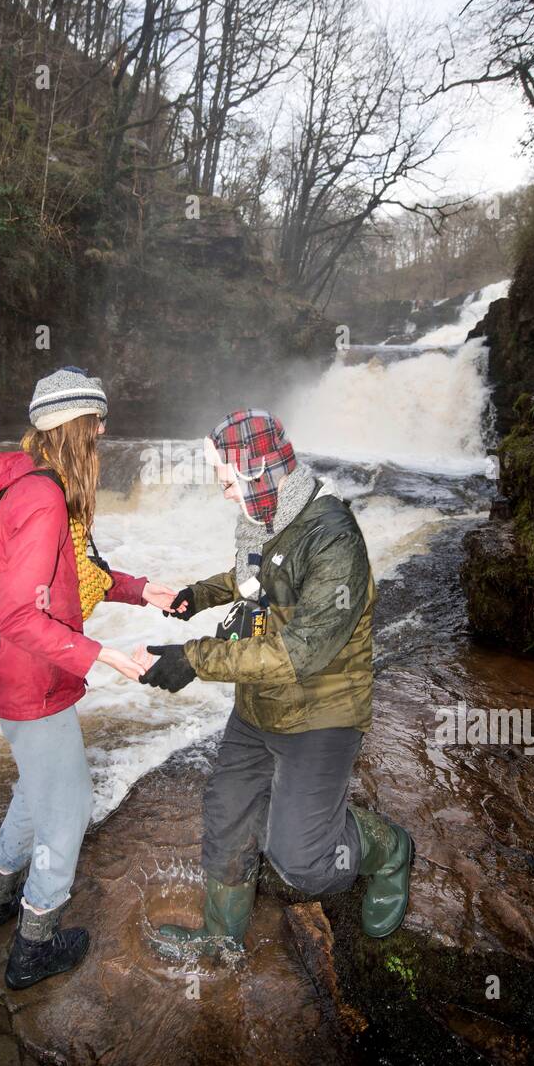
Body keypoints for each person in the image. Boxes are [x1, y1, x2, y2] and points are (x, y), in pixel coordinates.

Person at [137, 408, 413, 953]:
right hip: (260, 706)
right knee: (227, 812)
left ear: (259, 471)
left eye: (225, 479)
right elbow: (255, 577)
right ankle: (221, 937)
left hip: (322, 711)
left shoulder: (334, 538)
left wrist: (195, 658)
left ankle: (388, 848)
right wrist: (201, 594)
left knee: (301, 861)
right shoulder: (270, 519)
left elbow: (301, 651)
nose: (222, 492)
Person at [0, 367, 178, 989]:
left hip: (17, 675)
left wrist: (145, 592)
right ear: (72, 428)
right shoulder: (44, 498)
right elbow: (21, 613)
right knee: (70, 805)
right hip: (34, 680)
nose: (105, 431)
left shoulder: (32, 485)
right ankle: (35, 942)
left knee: (37, 789)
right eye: (97, 422)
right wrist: (100, 655)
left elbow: (74, 574)